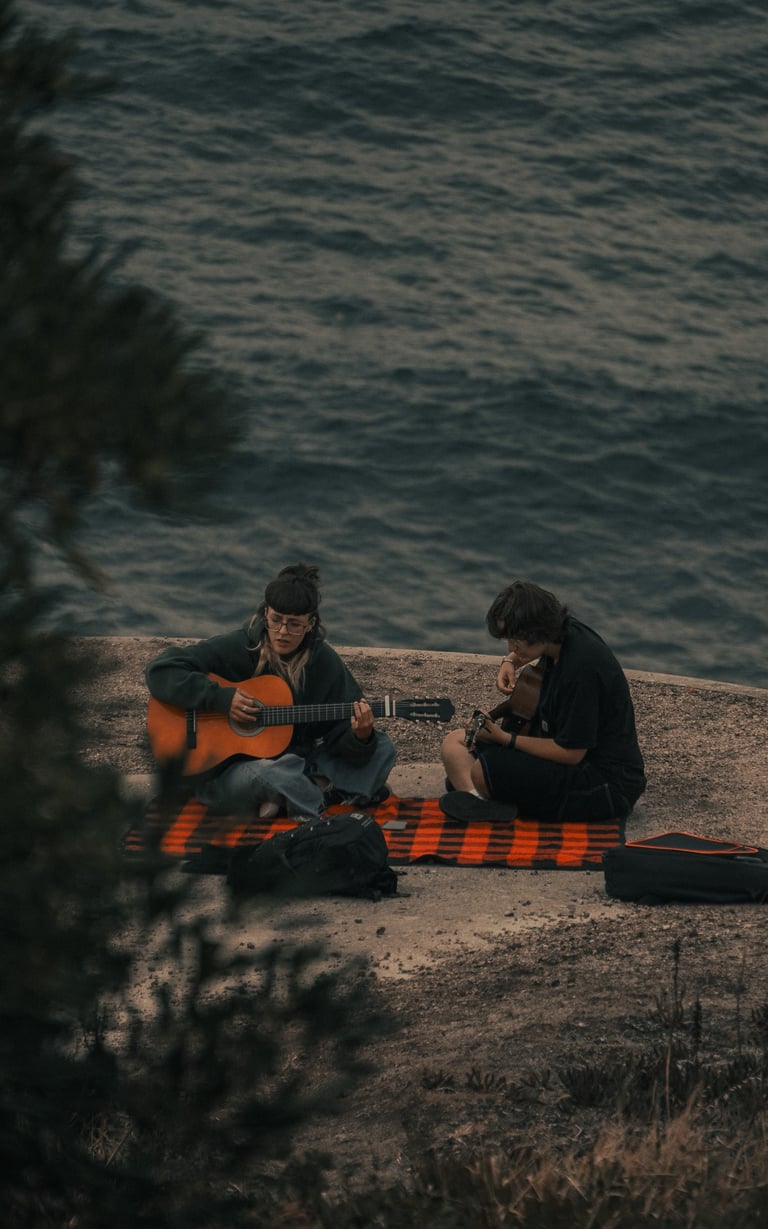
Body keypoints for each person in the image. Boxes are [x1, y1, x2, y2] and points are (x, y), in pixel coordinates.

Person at [145, 563, 396, 820]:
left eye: (294, 624)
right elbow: (162, 669)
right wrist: (221, 698)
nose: (283, 632)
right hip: (234, 772)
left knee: (382, 748)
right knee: (271, 773)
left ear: (310, 624)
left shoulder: (324, 662)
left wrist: (360, 737)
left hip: (300, 762)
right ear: (266, 613)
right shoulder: (240, 647)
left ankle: (292, 795)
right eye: (276, 620)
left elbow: (339, 732)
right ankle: (322, 793)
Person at [441, 580, 646, 822]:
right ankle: (479, 802)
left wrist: (505, 739)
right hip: (564, 759)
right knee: (455, 743)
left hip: (604, 784)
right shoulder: (560, 636)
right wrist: (510, 661)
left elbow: (572, 753)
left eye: (516, 641)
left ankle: (481, 796)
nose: (511, 646)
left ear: (538, 630)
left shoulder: (582, 667)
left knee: (488, 769)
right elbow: (524, 651)